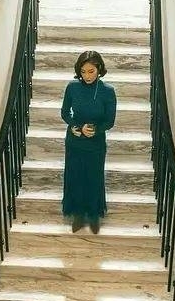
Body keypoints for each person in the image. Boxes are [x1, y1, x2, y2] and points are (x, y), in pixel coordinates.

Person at [61, 50, 118, 233]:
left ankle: (94, 215)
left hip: (96, 142)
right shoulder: (72, 87)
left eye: (91, 71)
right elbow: (64, 113)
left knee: (94, 177)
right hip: (74, 140)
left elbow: (109, 121)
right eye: (83, 71)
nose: (87, 76)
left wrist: (94, 130)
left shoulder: (107, 91)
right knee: (75, 176)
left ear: (99, 69)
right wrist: (75, 126)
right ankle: (77, 214)